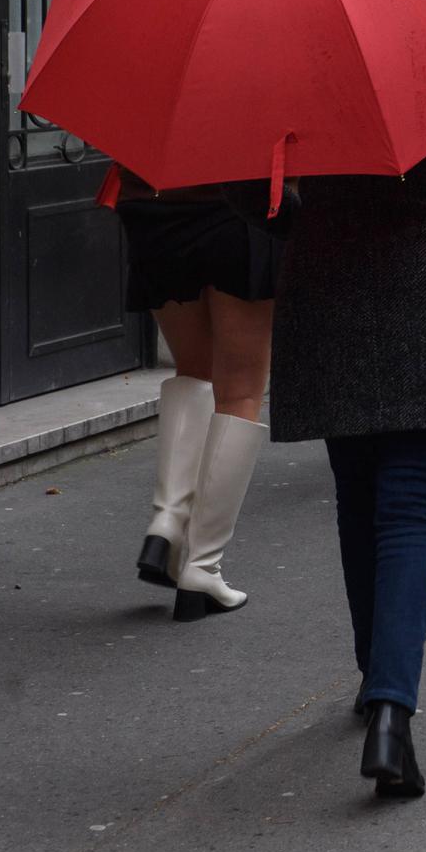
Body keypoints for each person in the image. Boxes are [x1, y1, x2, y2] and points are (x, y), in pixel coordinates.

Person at [233, 116, 426, 799]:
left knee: (356, 495)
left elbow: (246, 191)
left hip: (328, 289)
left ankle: (374, 675)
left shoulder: (290, 69)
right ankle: (392, 708)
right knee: (410, 506)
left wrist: (305, 218)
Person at [115, 174, 277, 622]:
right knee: (242, 389)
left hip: (152, 207)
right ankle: (203, 566)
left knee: (193, 368)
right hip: (241, 208)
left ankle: (167, 522)